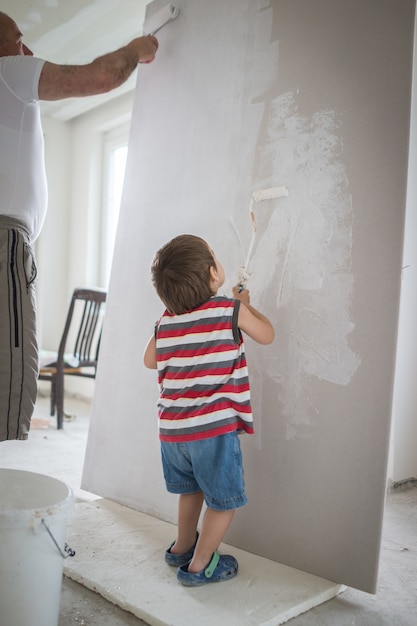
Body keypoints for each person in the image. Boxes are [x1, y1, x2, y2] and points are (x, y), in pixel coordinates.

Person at [0, 11, 158, 441]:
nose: (27, 51)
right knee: (10, 375)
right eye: (18, 42)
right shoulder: (8, 72)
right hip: (4, 244)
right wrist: (136, 49)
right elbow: (100, 77)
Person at [143, 234, 274, 586]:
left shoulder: (165, 321)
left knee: (191, 489)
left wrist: (170, 316)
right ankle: (200, 566)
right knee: (223, 500)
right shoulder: (229, 310)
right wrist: (245, 303)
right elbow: (267, 334)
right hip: (212, 433)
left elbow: (149, 360)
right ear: (214, 273)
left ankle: (183, 546)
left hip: (172, 433)